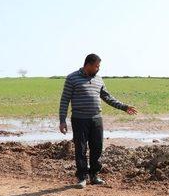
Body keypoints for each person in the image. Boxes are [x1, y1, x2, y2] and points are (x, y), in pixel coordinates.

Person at [59, 53, 137, 188]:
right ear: (88, 65)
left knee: (97, 148)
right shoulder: (72, 78)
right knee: (81, 148)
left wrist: (124, 107)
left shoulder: (98, 79)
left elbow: (107, 97)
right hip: (79, 119)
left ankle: (94, 175)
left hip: (96, 119)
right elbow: (65, 100)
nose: (98, 69)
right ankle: (82, 177)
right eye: (97, 66)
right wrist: (62, 120)